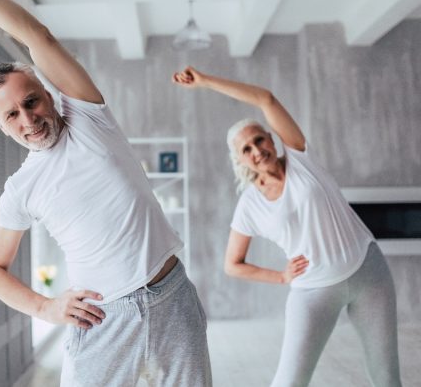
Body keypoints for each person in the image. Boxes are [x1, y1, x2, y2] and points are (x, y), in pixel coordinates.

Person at [0, 0, 211, 387]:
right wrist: (46, 308)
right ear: (3, 127)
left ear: (49, 95)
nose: (28, 118)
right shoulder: (21, 189)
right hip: (101, 318)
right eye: (12, 115)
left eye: (31, 101)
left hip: (172, 298)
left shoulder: (89, 119)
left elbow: (39, 37)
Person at [172, 66, 401, 387]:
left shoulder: (300, 158)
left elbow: (266, 98)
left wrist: (206, 81)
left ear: (272, 139)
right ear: (240, 160)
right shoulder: (250, 205)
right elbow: (232, 265)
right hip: (313, 290)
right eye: (246, 149)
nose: (257, 150)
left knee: (386, 376)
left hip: (369, 272)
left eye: (259, 139)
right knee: (290, 381)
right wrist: (280, 276)